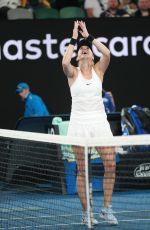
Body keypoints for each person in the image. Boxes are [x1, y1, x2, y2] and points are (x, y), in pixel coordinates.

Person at [62, 21, 118, 226]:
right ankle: (87, 213)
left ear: (92, 55)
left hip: (99, 124)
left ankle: (106, 209)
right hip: (79, 125)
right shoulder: (73, 73)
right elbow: (64, 62)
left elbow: (108, 54)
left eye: (88, 50)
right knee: (82, 170)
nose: (84, 51)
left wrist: (89, 36)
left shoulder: (99, 71)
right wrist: (74, 39)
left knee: (111, 164)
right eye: (81, 50)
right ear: (78, 57)